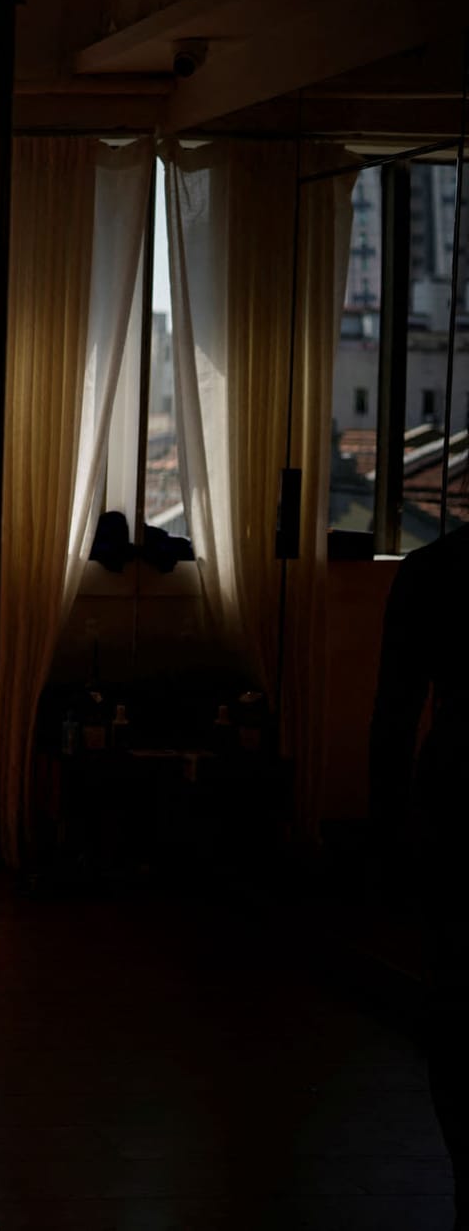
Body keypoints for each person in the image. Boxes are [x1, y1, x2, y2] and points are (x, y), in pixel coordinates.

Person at [370, 524, 468, 1228]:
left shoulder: (434, 570)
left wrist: (384, 828)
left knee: (456, 1000)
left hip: (458, 793)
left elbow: (395, 710)